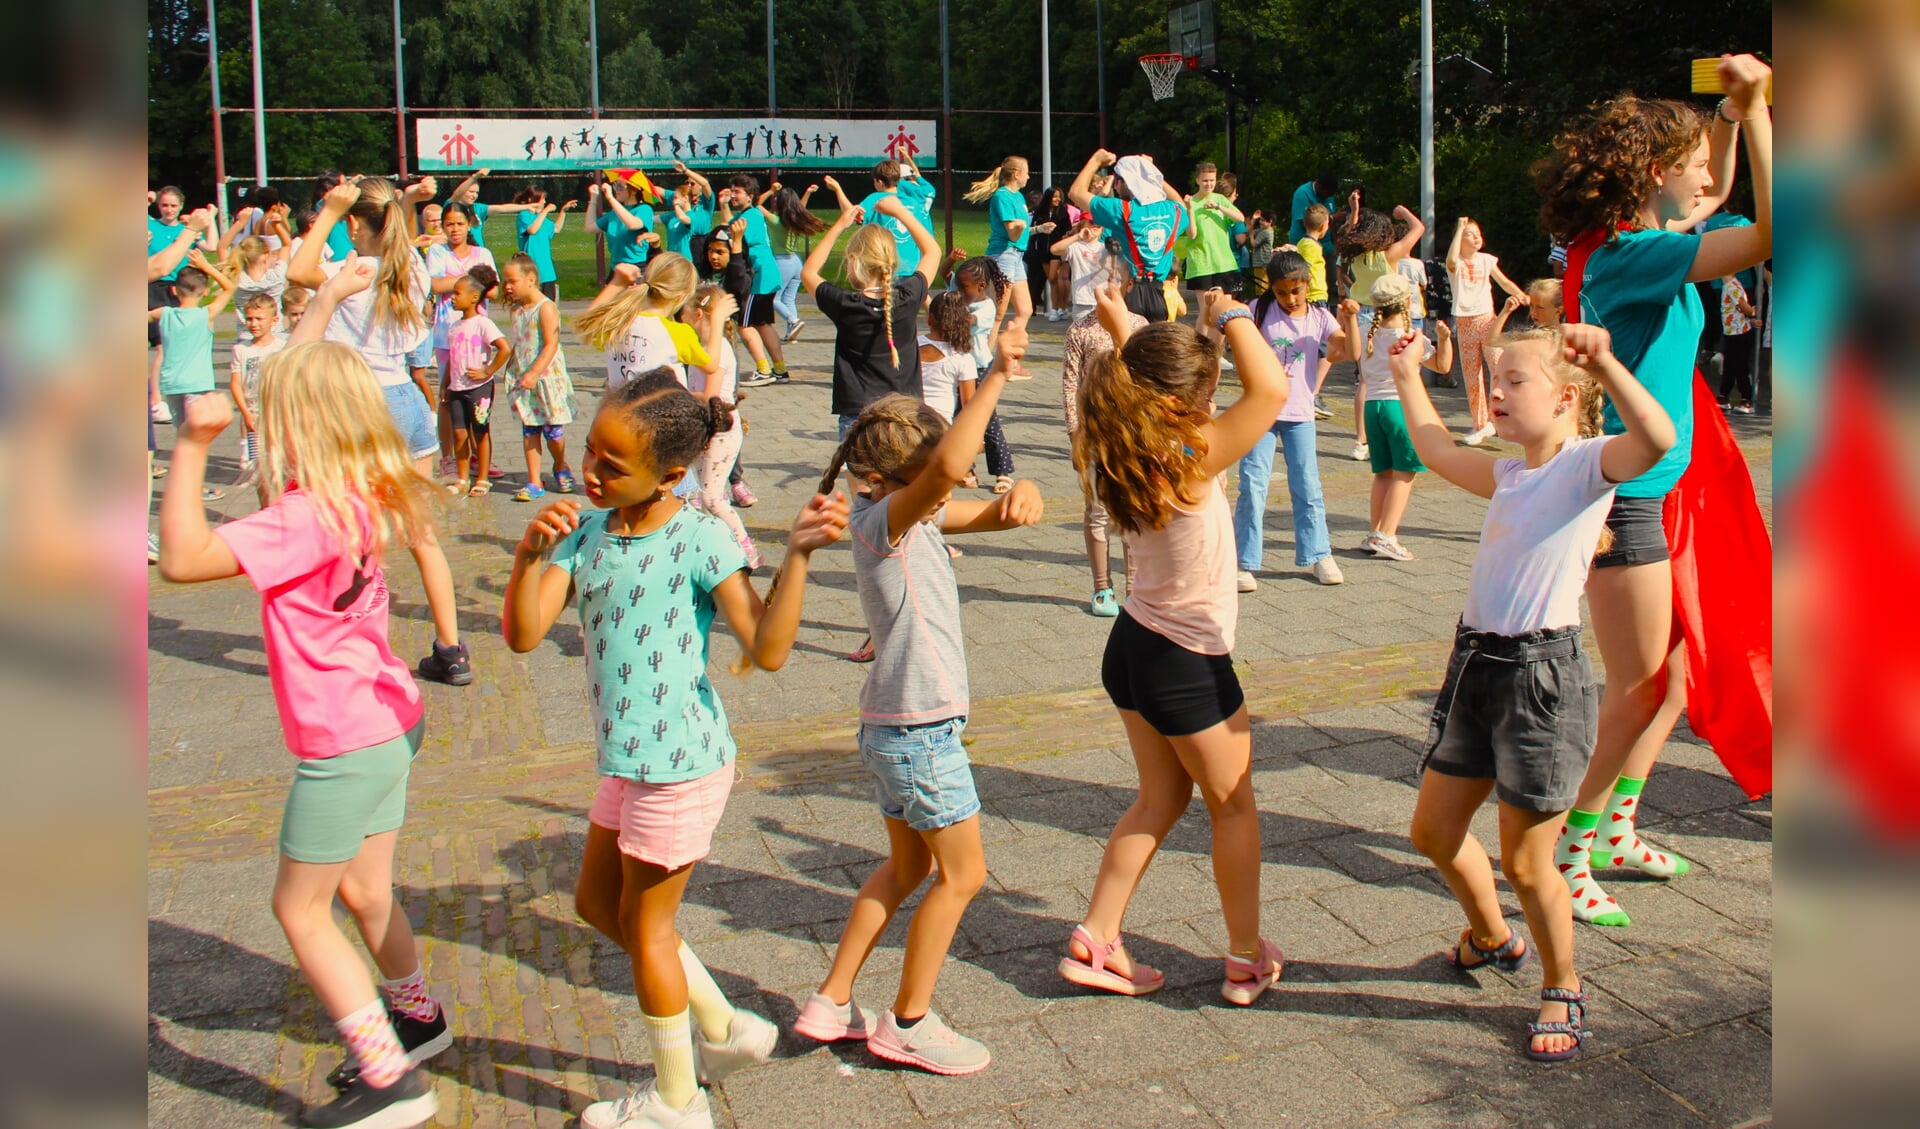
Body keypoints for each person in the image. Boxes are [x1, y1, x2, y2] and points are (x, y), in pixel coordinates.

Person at [502, 371, 850, 1129]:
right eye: (588, 451)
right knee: (599, 903)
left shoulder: (699, 536)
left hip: (681, 766)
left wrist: (797, 556)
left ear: (668, 474)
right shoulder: (588, 532)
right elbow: (524, 633)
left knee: (647, 928)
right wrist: (529, 553)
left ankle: (675, 1099)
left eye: (610, 464)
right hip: (629, 762)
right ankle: (723, 1027)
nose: (589, 471)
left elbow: (767, 646)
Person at [158, 339, 451, 1129]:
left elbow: (181, 559)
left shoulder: (300, 515)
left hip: (345, 741)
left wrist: (190, 445)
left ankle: (392, 1083)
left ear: (297, 421)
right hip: (391, 719)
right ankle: (417, 1019)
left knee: (301, 909)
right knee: (363, 889)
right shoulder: (360, 491)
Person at [1391, 321, 1675, 1062]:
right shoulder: (1511, 473)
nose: (1496, 392)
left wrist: (1609, 362)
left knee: (1526, 862)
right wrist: (1405, 372)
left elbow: (1657, 438)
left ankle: (1564, 982)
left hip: (1541, 681)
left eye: (1514, 380)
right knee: (1432, 833)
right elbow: (1435, 445)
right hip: (1474, 668)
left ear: (1566, 396)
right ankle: (1492, 936)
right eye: (1495, 379)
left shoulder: (1584, 467)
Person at [1533, 54, 1772, 926]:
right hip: (1628, 500)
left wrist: (1735, 117)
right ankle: (1564, 850)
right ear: (1652, 175)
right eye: (1693, 158)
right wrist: (1759, 111)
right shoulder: (1634, 256)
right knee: (1636, 688)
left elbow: (1717, 196)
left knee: (1669, 681)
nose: (1709, 170)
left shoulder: (1639, 243)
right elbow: (1767, 234)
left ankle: (1616, 827)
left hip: (1653, 489)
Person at [794, 330, 1043, 1076]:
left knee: (903, 869)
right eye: (938, 471)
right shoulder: (889, 520)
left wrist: (1020, 494)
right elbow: (946, 471)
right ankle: (908, 1020)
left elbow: (986, 512)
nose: (954, 481)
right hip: (920, 731)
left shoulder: (906, 517)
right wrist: (995, 377)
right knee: (961, 875)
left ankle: (832, 999)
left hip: (896, 727)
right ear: (905, 473)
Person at [1060, 280, 1289, 1007]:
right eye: (1209, 391)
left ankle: (1097, 938)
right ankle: (1246, 958)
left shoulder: (1120, 436)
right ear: (1176, 401)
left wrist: (1124, 322)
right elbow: (1274, 387)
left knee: (1160, 796)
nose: (1218, 402)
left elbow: (1142, 366)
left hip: (1133, 646)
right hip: (1186, 661)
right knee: (1234, 807)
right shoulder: (1192, 454)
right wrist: (1229, 315)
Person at [285, 175, 477, 687]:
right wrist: (406, 200)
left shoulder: (359, 268)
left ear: (354, 223)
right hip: (407, 401)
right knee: (421, 535)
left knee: (356, 531)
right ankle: (451, 648)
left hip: (363, 403)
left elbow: (299, 269)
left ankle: (351, 649)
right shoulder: (409, 264)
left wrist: (328, 209)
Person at [1233, 249, 1350, 591]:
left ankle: (1318, 553)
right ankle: (1244, 561)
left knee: (1308, 486)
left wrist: (1351, 321)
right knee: (1253, 486)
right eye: (1282, 291)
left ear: (1308, 284)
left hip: (1299, 413)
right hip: (1260, 411)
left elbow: (1347, 351)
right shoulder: (1257, 310)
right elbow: (1224, 327)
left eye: (1296, 291)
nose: (1289, 298)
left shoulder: (1319, 316)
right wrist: (1217, 307)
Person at [801, 187, 939, 440]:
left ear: (853, 261)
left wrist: (840, 226)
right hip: (905, 411)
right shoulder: (908, 296)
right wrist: (901, 213)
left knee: (862, 479)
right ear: (891, 260)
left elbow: (809, 272)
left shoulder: (844, 303)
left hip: (858, 411)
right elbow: (932, 252)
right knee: (902, 478)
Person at [1339, 273, 1455, 561]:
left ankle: (1374, 531)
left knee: (1383, 473)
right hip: (1400, 408)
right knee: (1405, 473)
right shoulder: (1411, 337)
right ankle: (1388, 535)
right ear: (1406, 301)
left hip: (1373, 407)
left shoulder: (1366, 329)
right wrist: (1444, 339)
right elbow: (1442, 365)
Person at [1061, 248, 1147, 617]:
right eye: (1101, 278)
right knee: (1097, 510)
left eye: (1115, 278)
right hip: (1094, 432)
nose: (1108, 284)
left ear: (1127, 285)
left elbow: (1146, 380)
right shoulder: (1080, 329)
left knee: (1131, 510)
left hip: (1130, 433)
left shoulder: (1139, 326)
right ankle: (1102, 588)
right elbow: (1069, 383)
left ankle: (1134, 587)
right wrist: (1075, 431)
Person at [1334, 197, 1427, 461]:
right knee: (1400, 375)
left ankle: (1361, 440)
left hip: (1360, 314)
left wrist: (1354, 212)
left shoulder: (1356, 256)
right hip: (1389, 314)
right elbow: (1419, 228)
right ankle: (1404, 431)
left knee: (1365, 380)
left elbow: (1348, 232)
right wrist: (1404, 212)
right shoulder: (1391, 254)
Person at [149, 253, 237, 504]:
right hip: (197, 384)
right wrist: (206, 265)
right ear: (205, 290)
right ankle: (193, 490)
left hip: (171, 384)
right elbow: (230, 286)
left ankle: (183, 488)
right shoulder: (205, 314)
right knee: (197, 439)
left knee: (182, 436)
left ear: (174, 290)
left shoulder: (163, 313)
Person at [1070, 150, 1191, 322]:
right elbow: (1180, 203)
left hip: (1130, 291)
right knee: (1157, 346)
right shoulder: (1173, 211)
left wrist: (1095, 160)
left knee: (1128, 346)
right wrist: (1150, 171)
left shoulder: (1123, 210)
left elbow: (1076, 193)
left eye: (1117, 182)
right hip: (1160, 294)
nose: (1115, 187)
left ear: (1125, 182)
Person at [685, 284, 758, 568]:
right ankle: (705, 547)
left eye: (686, 310)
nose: (682, 315)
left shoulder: (717, 351)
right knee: (697, 496)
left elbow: (710, 395)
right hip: (707, 429)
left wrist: (671, 391)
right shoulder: (702, 347)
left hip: (721, 430)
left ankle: (746, 549)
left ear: (699, 314)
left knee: (712, 499)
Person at [575, 252, 723, 391]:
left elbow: (587, 322)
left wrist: (617, 282)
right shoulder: (678, 333)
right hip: (658, 414)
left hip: (618, 411)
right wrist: (717, 321)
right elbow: (711, 365)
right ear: (681, 297)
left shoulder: (618, 323)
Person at [424, 203, 499, 474]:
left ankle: (480, 456)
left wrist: (457, 282)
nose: (454, 230)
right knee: (449, 398)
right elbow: (433, 284)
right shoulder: (437, 252)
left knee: (477, 399)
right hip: (446, 335)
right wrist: (473, 279)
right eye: (448, 224)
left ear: (469, 225)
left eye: (459, 224)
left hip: (477, 338)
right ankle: (450, 457)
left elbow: (492, 291)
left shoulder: (483, 253)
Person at [1446, 217, 1531, 445]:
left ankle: (1504, 415)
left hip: (1487, 318)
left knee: (1498, 366)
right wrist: (1460, 228)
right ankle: (1480, 423)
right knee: (1472, 375)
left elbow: (1504, 282)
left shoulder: (1487, 260)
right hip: (1464, 321)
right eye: (1470, 234)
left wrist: (1523, 295)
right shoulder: (1456, 263)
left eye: (1478, 234)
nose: (1476, 237)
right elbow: (1452, 260)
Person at [499, 254, 576, 502]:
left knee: (553, 430)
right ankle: (534, 481)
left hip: (545, 380)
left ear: (530, 280)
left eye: (513, 280)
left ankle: (561, 465)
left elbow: (551, 344)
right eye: (505, 281)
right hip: (524, 380)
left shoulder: (546, 308)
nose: (508, 286)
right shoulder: (517, 310)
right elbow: (520, 345)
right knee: (529, 429)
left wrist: (535, 372)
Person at [951, 256, 1019, 492]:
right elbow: (944, 275)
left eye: (963, 287)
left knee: (987, 420)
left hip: (980, 368)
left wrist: (943, 309)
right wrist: (949, 262)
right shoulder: (961, 295)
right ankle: (965, 467)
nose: (958, 291)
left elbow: (965, 321)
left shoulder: (986, 307)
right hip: (959, 368)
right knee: (958, 418)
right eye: (957, 286)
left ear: (980, 287)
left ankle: (1002, 472)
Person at [718, 174, 793, 386]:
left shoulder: (749, 216)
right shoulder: (751, 213)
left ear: (750, 196)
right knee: (763, 323)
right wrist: (724, 204)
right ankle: (780, 370)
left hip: (758, 275)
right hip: (767, 273)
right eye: (731, 191)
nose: (733, 195)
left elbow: (727, 235)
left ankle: (763, 370)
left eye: (737, 192)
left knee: (744, 323)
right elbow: (727, 225)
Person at [441, 268, 511, 498]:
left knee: (480, 432)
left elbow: (504, 348)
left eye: (457, 293)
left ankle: (482, 477)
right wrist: (445, 384)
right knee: (459, 433)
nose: (453, 297)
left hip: (478, 388)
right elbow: (453, 357)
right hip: (456, 389)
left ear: (473, 297)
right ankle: (462, 477)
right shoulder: (453, 327)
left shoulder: (483, 323)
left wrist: (487, 371)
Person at [965, 156, 1036, 358]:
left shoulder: (1018, 197)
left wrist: (1037, 229)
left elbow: (1020, 233)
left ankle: (1009, 358)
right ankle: (984, 360)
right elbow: (1012, 233)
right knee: (997, 313)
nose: (1029, 176)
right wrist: (1021, 227)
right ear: (1016, 174)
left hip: (1016, 256)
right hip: (1003, 255)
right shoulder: (1002, 196)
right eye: (1026, 172)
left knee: (1025, 309)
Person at [1183, 162, 1247, 351]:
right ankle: (1197, 353)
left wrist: (1220, 207)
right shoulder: (1191, 202)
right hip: (1201, 263)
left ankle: (1216, 354)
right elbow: (1192, 234)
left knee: (1223, 312)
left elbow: (1240, 218)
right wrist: (1189, 209)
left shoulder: (1220, 199)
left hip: (1224, 262)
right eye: (1204, 181)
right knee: (1206, 311)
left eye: (1211, 180)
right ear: (1197, 180)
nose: (1208, 184)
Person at [227, 293, 285, 491]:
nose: (253, 323)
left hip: (278, 414)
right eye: (249, 318)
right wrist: (246, 413)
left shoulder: (282, 347)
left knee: (280, 465)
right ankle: (265, 507)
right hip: (254, 414)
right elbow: (235, 384)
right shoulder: (241, 350)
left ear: (274, 320)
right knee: (260, 468)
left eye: (259, 319)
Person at [758, 182, 827, 343]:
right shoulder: (796, 220)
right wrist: (808, 193)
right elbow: (800, 208)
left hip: (782, 262)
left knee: (773, 298)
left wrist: (770, 191)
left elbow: (755, 204)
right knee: (788, 298)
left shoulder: (775, 221)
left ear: (780, 203)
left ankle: (793, 321)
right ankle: (792, 333)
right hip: (797, 262)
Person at [442, 167, 539, 249]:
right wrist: (475, 176)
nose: (474, 195)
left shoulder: (478, 208)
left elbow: (502, 208)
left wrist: (527, 206)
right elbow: (457, 194)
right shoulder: (451, 206)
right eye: (471, 192)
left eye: (476, 193)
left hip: (477, 254)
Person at [588, 175, 662, 281]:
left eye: (620, 186)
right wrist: (593, 198)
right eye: (615, 185)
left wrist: (610, 198)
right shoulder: (614, 213)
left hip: (637, 269)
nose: (616, 190)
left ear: (633, 190)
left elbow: (632, 224)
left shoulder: (644, 209)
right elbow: (590, 227)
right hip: (616, 268)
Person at [514, 187, 575, 302]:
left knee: (548, 304)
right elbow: (532, 230)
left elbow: (556, 228)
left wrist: (563, 211)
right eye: (542, 199)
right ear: (531, 199)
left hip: (547, 271)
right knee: (532, 305)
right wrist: (545, 211)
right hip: (531, 270)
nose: (544, 202)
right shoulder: (524, 215)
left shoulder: (542, 219)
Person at [1025, 186, 1073, 319]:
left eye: (1059, 196)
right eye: (1055, 196)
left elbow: (1067, 230)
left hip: (1056, 250)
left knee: (1053, 277)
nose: (1057, 199)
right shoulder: (1040, 212)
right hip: (1042, 249)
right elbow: (1033, 230)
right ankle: (1058, 308)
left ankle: (1056, 308)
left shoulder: (1063, 212)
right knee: (1052, 281)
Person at [1051, 218, 1108, 322]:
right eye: (1091, 222)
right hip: (1082, 300)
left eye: (1099, 225)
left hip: (1104, 300)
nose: (1095, 226)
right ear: (1082, 225)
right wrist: (1077, 236)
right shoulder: (1075, 247)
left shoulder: (1106, 248)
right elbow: (1054, 250)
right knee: (1081, 334)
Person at [663, 162, 716, 261]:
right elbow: (661, 192)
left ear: (700, 186)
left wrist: (685, 171)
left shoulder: (706, 202)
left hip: (701, 243)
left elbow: (705, 184)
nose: (689, 185)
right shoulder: (684, 197)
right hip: (686, 240)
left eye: (693, 183)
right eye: (687, 182)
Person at [1289, 174, 1339, 244]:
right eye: (1329, 193)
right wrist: (1333, 217)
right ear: (1319, 187)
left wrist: (1336, 242)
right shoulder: (1302, 194)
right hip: (1304, 243)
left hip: (1327, 244)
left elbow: (1333, 224)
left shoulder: (1328, 195)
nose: (1329, 196)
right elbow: (1306, 222)